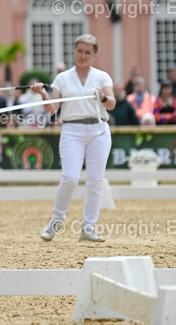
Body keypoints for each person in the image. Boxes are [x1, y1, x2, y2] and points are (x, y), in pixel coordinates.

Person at [32, 34, 115, 243]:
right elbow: (52, 110)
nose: (83, 56)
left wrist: (102, 97)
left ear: (94, 55)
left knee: (95, 181)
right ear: (74, 52)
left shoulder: (102, 77)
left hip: (98, 130)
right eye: (80, 51)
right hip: (71, 130)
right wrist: (43, 93)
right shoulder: (63, 78)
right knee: (69, 178)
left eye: (88, 52)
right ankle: (56, 221)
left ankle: (88, 227)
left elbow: (112, 103)